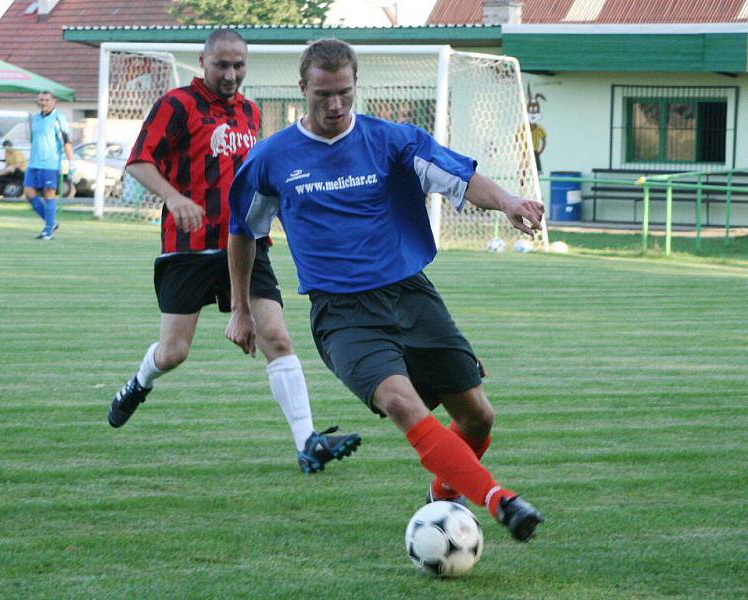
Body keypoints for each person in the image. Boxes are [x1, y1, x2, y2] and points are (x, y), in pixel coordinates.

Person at [227, 39, 545, 541]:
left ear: (356, 86)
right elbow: (243, 233)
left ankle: (442, 496)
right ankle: (498, 500)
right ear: (302, 88)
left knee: (478, 416)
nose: (335, 106)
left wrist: (507, 201)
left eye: (345, 94)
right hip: (341, 313)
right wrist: (241, 308)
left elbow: (460, 176)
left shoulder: (393, 141)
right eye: (323, 95)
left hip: (410, 295)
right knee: (400, 401)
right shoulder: (271, 159)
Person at [110, 29, 361, 474]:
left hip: (246, 245)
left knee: (278, 339)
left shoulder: (250, 111)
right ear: (201, 61)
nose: (231, 74)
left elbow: (258, 180)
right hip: (188, 249)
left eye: (238, 65)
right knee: (173, 353)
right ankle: (137, 383)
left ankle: (307, 441)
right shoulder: (176, 105)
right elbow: (138, 161)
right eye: (221, 64)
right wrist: (173, 197)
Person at [24, 91, 73, 240]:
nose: (43, 103)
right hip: (33, 163)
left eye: (46, 100)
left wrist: (71, 163)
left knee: (48, 195)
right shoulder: (35, 118)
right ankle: (51, 222)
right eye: (41, 100)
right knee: (28, 193)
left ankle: (48, 231)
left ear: (53, 101)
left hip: (50, 164)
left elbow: (66, 141)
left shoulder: (59, 118)